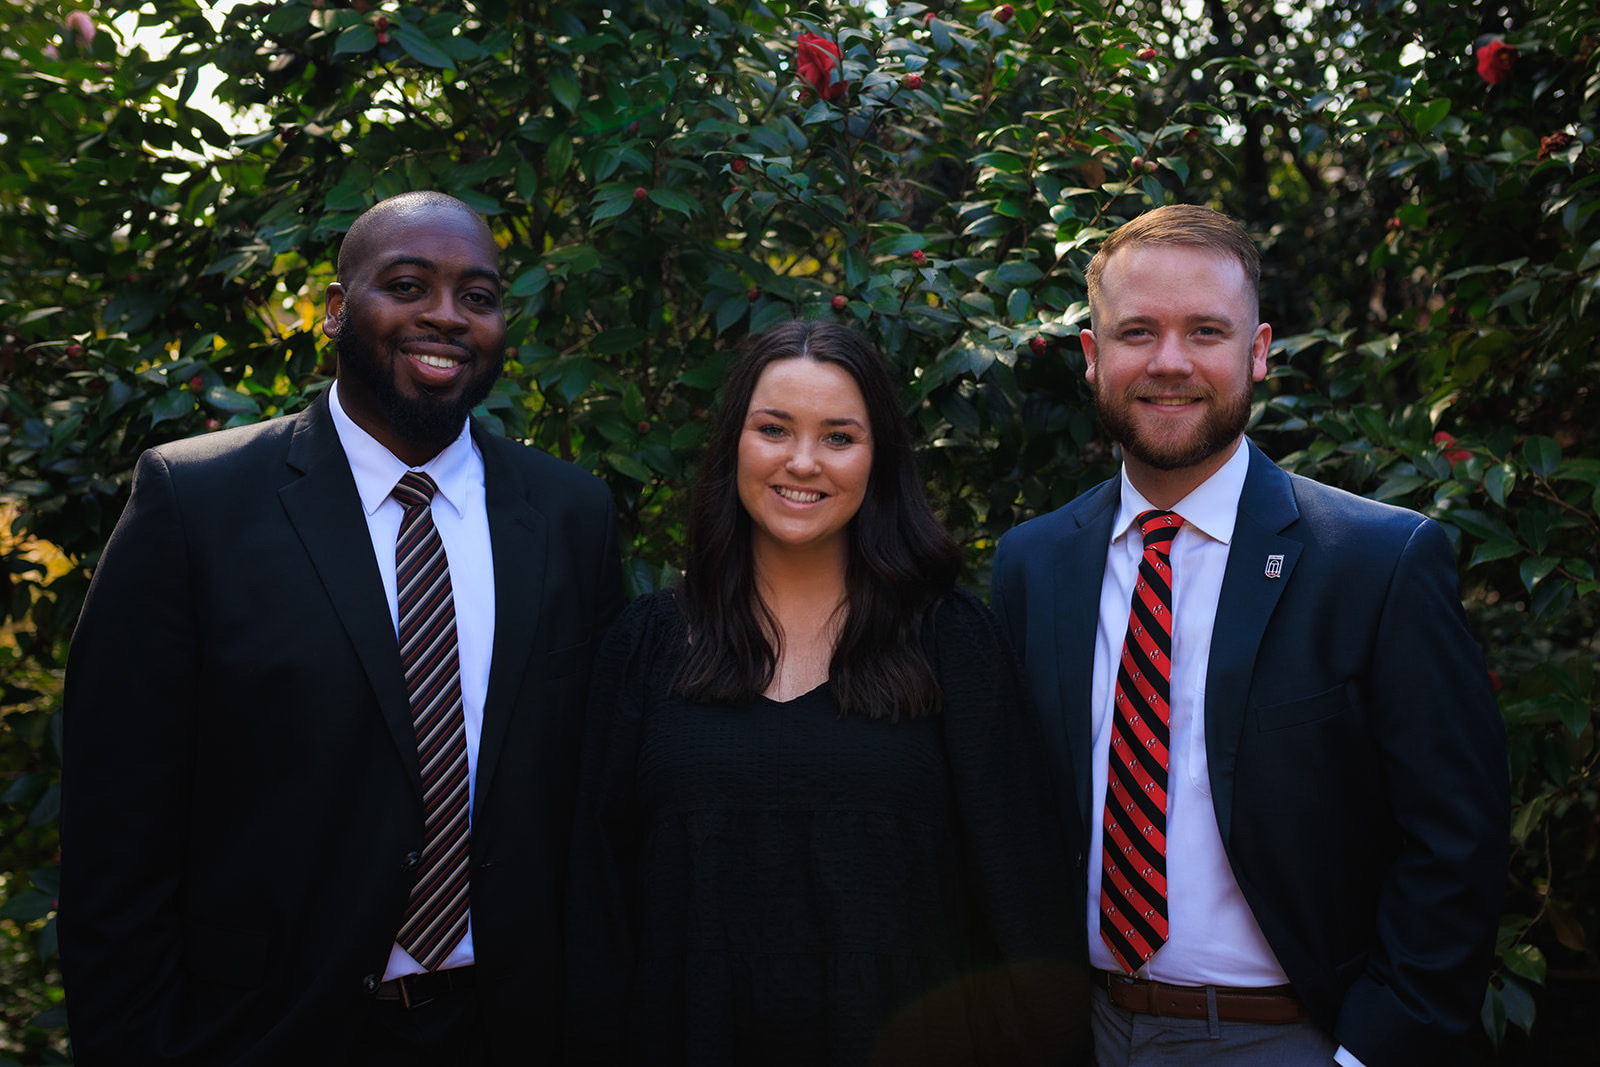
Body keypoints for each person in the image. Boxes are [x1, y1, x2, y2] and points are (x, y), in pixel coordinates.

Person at [59, 191, 624, 1065]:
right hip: (266, 1030)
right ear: (334, 309)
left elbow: (593, 803)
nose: (445, 315)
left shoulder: (569, 514)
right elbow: (115, 836)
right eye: (408, 285)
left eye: (478, 296)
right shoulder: (196, 503)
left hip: (513, 1026)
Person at [991, 204, 1508, 1067]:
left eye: (1205, 331)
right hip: (1080, 1031)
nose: (1169, 362)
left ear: (1258, 352)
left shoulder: (1376, 563)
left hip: (1291, 1039)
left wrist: (1370, 1053)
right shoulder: (1031, 565)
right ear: (1092, 356)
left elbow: (1458, 840)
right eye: (1138, 332)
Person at [565, 320, 1083, 1066]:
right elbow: (595, 911)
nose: (802, 462)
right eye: (774, 428)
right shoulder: (646, 648)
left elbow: (1021, 903)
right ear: (733, 445)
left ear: (879, 459)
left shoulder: (952, 644)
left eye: (839, 437)